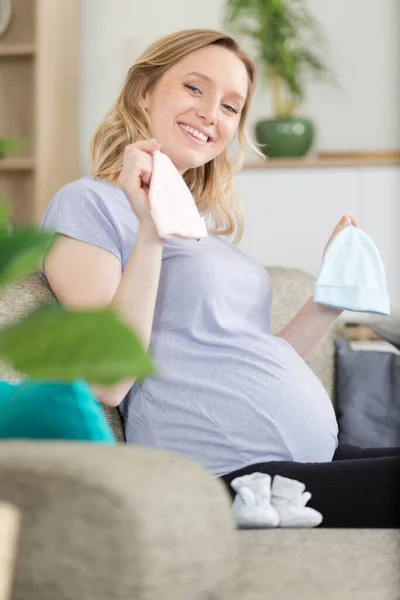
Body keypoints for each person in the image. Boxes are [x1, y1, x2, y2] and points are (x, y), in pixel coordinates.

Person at [40, 29, 400, 528]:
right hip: (227, 476)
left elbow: (243, 356)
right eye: (194, 88)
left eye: (232, 106)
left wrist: (327, 301)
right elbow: (108, 380)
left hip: (299, 464)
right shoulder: (88, 203)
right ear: (144, 91)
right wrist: (148, 231)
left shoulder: (202, 230)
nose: (212, 112)